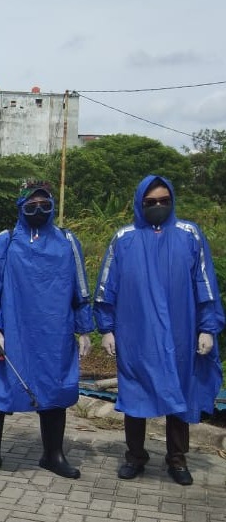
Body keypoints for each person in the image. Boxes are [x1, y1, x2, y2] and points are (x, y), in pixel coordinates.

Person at [94, 175, 223, 485]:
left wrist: (207, 328)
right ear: (140, 204)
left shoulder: (189, 234)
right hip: (135, 332)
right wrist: (107, 328)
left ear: (173, 201)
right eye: (150, 203)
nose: (158, 207)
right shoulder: (124, 238)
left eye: (164, 201)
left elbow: (205, 283)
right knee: (135, 392)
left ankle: (177, 459)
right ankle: (135, 456)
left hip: (180, 332)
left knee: (179, 391)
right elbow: (105, 287)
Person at [0, 181, 93, 479]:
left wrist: (85, 330)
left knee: (54, 389)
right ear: (20, 207)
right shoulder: (5, 241)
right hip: (13, 332)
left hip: (55, 334)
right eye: (31, 205)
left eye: (44, 205)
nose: (38, 210)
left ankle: (53, 454)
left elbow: (81, 290)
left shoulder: (67, 241)